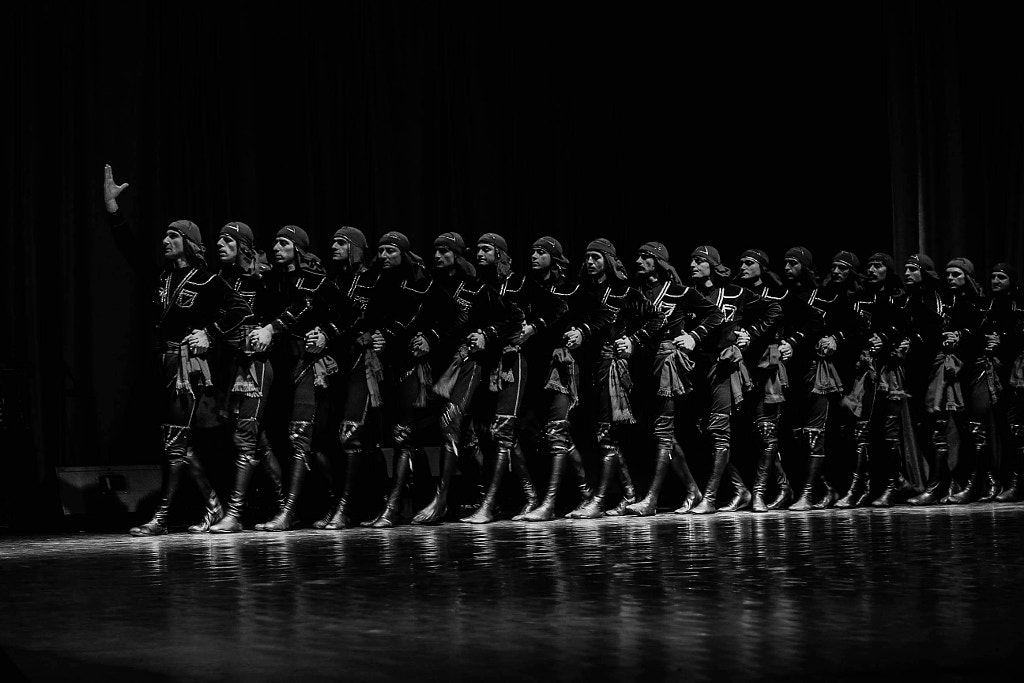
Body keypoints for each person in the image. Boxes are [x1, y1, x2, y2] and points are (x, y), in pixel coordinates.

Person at [103, 165, 250, 536]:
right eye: (165, 235)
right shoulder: (162, 277)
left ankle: (162, 518)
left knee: (175, 441)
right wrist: (112, 210)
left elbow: (240, 310)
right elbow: (129, 250)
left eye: (173, 236)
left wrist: (210, 333)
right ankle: (214, 505)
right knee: (177, 442)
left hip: (189, 368)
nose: (165, 241)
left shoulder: (208, 279)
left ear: (189, 241)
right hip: (163, 362)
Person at [460, 233, 567, 523]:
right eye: (477, 249)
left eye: (486, 249)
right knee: (497, 432)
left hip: (513, 361)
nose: (479, 254)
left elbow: (558, 308)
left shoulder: (520, 283)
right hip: (488, 364)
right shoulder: (480, 286)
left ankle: (489, 505)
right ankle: (530, 497)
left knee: (505, 430)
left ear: (500, 253)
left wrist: (534, 326)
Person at [417, 232, 524, 524]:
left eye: (444, 251)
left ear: (456, 255)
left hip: (469, 363)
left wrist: (486, 334)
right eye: (435, 251)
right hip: (438, 365)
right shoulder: (433, 285)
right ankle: (485, 497)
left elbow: (513, 318)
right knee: (466, 436)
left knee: (450, 423)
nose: (438, 256)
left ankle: (441, 501)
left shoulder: (478, 287)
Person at [516, 237, 615, 521]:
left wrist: (582, 331)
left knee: (558, 430)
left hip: (561, 369)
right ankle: (582, 494)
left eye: (541, 252)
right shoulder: (528, 288)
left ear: (554, 258)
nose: (534, 256)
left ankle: (548, 504)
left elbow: (604, 314)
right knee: (532, 431)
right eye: (532, 251)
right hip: (532, 369)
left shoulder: (572, 289)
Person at [566, 239, 664, 519]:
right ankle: (630, 495)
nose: (590, 262)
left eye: (596, 257)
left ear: (608, 261)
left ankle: (598, 500)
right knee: (595, 432)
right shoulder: (581, 291)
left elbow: (658, 319)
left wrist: (633, 341)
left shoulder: (624, 292)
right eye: (587, 257)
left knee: (607, 433)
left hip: (610, 364)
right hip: (584, 367)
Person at [623, 242, 723, 516]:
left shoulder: (680, 291)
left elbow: (717, 314)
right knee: (657, 431)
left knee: (664, 431)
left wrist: (694, 335)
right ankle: (692, 490)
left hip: (667, 363)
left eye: (646, 257)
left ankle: (651, 500)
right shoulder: (637, 293)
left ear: (658, 261)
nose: (639, 260)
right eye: (638, 255)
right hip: (643, 365)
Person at [252, 225, 335, 531]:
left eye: (283, 242)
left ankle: (294, 510)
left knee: (300, 437)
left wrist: (327, 334)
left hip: (303, 363)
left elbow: (342, 313)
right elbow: (259, 314)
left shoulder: (315, 281)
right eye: (274, 241)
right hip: (275, 366)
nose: (276, 247)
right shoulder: (269, 280)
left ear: (298, 249)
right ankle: (291, 507)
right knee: (274, 435)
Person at [687, 245, 781, 514]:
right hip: (696, 369)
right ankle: (740, 490)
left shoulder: (735, 292)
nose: (693, 265)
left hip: (723, 368)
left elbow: (772, 310)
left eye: (699, 261)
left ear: (712, 265)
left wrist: (750, 333)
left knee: (720, 432)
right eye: (691, 261)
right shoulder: (690, 293)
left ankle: (711, 498)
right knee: (703, 431)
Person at [208, 221, 286, 533]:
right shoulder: (222, 279)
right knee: (260, 440)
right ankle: (286, 505)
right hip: (232, 366)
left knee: (245, 437)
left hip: (257, 364)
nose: (220, 246)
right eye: (218, 240)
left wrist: (267, 331)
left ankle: (235, 513)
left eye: (227, 241)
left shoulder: (265, 278)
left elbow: (281, 315)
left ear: (242, 245)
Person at [735, 248, 823, 512]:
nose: (743, 266)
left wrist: (791, 343)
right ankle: (783, 487)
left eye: (749, 263)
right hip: (741, 366)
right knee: (748, 430)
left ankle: (760, 492)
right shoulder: (736, 292)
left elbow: (814, 321)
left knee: (766, 427)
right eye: (741, 262)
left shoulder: (779, 293)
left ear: (762, 267)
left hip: (769, 362)